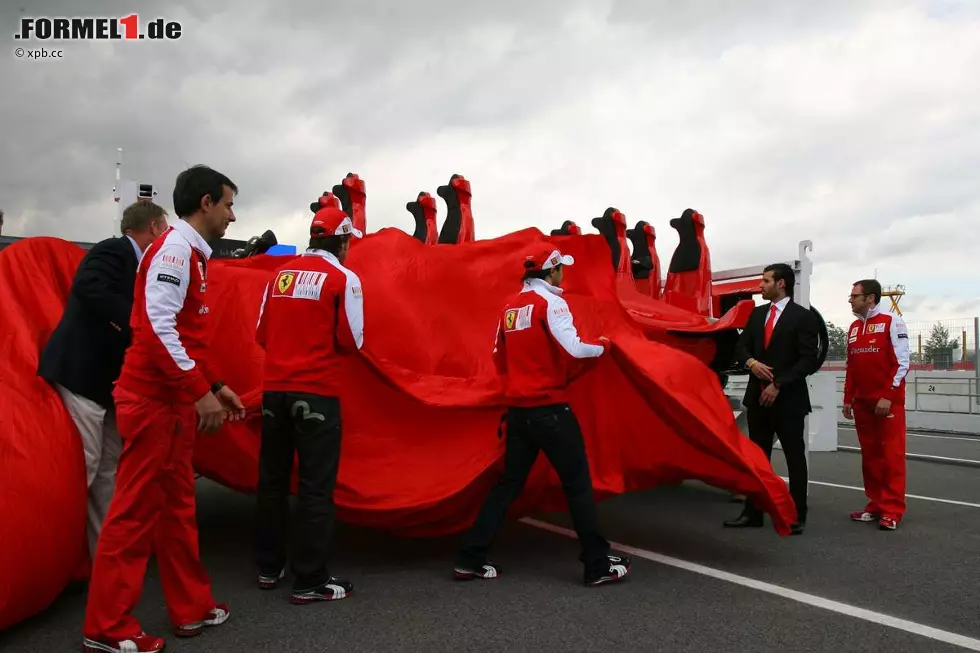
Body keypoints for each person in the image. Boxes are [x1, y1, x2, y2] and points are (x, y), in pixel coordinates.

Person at [82, 165, 246, 653]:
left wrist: (215, 383)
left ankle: (190, 606)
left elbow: (183, 334)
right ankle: (105, 627)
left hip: (170, 398)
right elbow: (156, 328)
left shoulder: (189, 253)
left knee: (177, 510)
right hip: (155, 400)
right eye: (228, 204)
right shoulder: (176, 250)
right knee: (133, 515)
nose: (232, 216)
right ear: (204, 203)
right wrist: (200, 390)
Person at [453, 245, 632, 587]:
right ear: (551, 272)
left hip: (519, 411)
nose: (563, 274)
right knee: (577, 485)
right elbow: (576, 347)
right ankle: (596, 564)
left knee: (507, 486)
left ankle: (470, 557)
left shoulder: (509, 306)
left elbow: (498, 357)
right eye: (561, 268)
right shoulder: (552, 303)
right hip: (550, 409)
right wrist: (605, 346)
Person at [38, 201, 169, 558]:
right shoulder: (113, 249)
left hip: (108, 386)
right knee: (88, 466)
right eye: (165, 229)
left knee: (109, 469)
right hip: (83, 376)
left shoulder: (141, 265)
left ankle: (107, 557)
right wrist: (136, 323)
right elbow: (88, 287)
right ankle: (58, 556)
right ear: (155, 227)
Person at [252, 200, 363, 603]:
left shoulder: (279, 275)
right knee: (316, 486)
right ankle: (310, 578)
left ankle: (268, 567)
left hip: (274, 390)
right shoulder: (343, 278)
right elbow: (353, 341)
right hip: (316, 391)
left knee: (272, 481)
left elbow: (261, 334)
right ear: (343, 240)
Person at [725, 263, 818, 535]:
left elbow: (808, 359)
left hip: (788, 400)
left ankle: (796, 514)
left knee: (794, 458)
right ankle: (753, 512)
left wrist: (778, 383)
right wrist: (751, 363)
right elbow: (741, 347)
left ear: (781, 284)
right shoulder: (757, 315)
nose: (760, 286)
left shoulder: (803, 317)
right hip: (757, 399)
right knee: (757, 458)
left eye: (766, 281)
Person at [843, 279, 910, 531]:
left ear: (870, 298)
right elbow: (852, 367)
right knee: (870, 458)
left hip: (887, 404)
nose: (850, 300)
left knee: (891, 457)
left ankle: (893, 509)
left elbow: (902, 363)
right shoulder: (852, 327)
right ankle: (876, 504)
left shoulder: (893, 321)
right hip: (862, 404)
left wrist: (888, 396)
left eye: (854, 296)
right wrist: (848, 397)